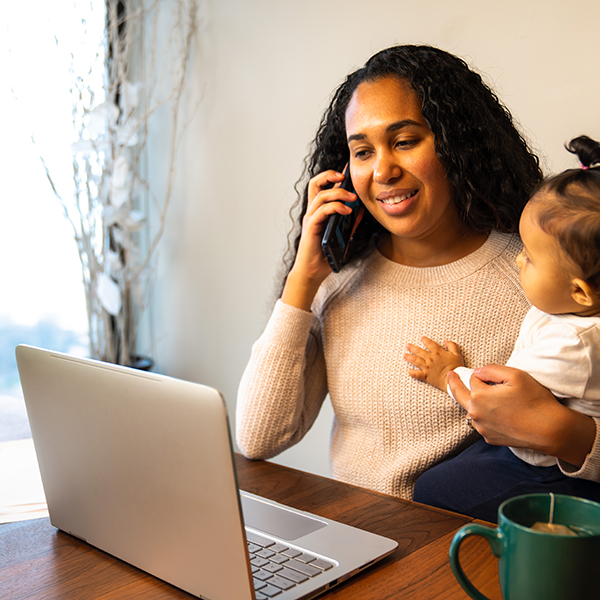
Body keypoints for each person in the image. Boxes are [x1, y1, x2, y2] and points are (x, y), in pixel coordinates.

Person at [236, 44, 549, 501]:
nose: (383, 170)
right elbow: (259, 436)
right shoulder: (338, 284)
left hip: (460, 549)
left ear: (455, 144)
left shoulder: (534, 278)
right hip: (355, 540)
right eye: (362, 152)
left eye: (404, 142)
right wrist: (301, 283)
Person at [406, 136, 600, 520]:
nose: (517, 260)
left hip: (545, 469)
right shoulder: (569, 309)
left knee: (432, 488)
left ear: (579, 291)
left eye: (528, 255)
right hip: (529, 448)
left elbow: (498, 399)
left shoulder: (574, 343)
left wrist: (447, 373)